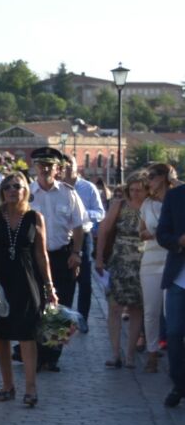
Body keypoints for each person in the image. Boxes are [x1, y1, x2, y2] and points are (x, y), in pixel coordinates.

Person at [0, 172, 56, 408]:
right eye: (8, 186)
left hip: (26, 279)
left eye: (18, 186)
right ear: (2, 191)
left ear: (26, 191)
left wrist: (49, 286)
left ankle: (30, 387)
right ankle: (7, 384)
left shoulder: (35, 217)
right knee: (0, 333)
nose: (13, 190)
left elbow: (41, 254)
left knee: (26, 332)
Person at [27, 149, 88, 372]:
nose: (44, 169)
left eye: (49, 165)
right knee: (35, 304)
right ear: (35, 167)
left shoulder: (68, 193)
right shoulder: (28, 193)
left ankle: (52, 355)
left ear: (57, 169)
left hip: (61, 255)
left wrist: (77, 253)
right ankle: (35, 353)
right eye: (40, 165)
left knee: (59, 306)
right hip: (33, 256)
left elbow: (79, 226)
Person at [94, 171, 147, 368]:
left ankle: (131, 354)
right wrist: (99, 258)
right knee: (114, 307)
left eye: (139, 190)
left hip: (143, 261)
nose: (135, 194)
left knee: (136, 308)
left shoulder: (151, 206)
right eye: (132, 190)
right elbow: (104, 230)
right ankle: (116, 353)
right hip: (120, 260)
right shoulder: (120, 205)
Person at [138, 163, 174, 372]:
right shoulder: (147, 204)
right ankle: (152, 352)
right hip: (151, 258)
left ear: (164, 177)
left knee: (172, 311)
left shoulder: (177, 200)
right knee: (151, 310)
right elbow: (141, 232)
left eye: (152, 176)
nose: (148, 180)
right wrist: (154, 234)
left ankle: (175, 355)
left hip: (172, 258)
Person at [62, 160, 105, 332]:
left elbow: (100, 213)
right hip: (63, 237)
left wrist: (81, 214)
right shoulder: (57, 188)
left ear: (76, 167)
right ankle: (62, 317)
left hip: (84, 236)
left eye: (69, 166)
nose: (66, 169)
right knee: (63, 279)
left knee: (85, 281)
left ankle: (82, 318)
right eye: (63, 166)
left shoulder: (88, 188)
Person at [154, 175, 185, 408]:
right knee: (173, 333)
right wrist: (179, 241)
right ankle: (179, 384)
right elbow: (162, 234)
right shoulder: (175, 197)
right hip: (178, 278)